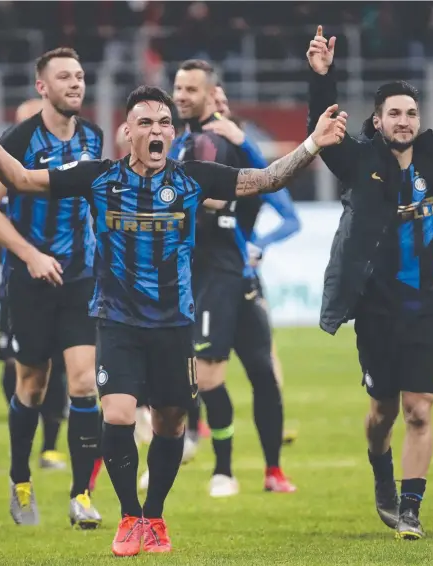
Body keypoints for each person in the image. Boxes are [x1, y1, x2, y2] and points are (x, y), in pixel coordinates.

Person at [0, 85, 345, 555]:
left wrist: (313, 142)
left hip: (174, 324)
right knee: (119, 413)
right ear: (126, 132)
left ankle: (155, 516)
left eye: (164, 123)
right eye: (144, 122)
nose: (156, 130)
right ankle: (129, 516)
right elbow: (23, 179)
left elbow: (267, 179)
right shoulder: (99, 177)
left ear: (172, 133)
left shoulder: (194, 178)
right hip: (117, 321)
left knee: (170, 423)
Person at [305, 0, 433, 540]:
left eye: (411, 113)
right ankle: (381, 473)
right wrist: (321, 81)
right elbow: (323, 132)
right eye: (394, 113)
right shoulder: (357, 163)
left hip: (426, 309)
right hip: (375, 312)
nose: (404, 121)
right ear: (378, 121)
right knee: (382, 415)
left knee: (419, 411)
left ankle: (410, 508)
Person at [0, 47, 103, 528]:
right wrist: (30, 255)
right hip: (29, 280)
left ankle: (81, 495)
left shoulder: (94, 136)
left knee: (84, 381)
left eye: (81, 75)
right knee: (32, 383)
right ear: (41, 87)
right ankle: (20, 480)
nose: (76, 83)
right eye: (64, 77)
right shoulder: (17, 140)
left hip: (81, 277)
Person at [172, 60, 296, 497]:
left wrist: (242, 140)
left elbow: (271, 185)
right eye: (178, 88)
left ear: (214, 95)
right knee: (205, 375)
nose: (182, 95)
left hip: (233, 272)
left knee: (261, 372)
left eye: (193, 88)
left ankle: (270, 470)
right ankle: (216, 462)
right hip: (209, 272)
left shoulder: (227, 142)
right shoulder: (184, 143)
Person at [207, 83, 301, 437]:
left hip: (241, 272)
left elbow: (291, 218)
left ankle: (273, 425)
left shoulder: (250, 166)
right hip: (199, 271)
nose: (217, 109)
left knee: (264, 354)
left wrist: (257, 244)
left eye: (222, 102)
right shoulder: (186, 153)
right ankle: (190, 425)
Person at [0, 98, 69, 471]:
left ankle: (51, 445)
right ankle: (22, 431)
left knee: (62, 365)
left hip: (63, 275)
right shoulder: (0, 172)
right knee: (13, 364)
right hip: (16, 279)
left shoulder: (61, 168)